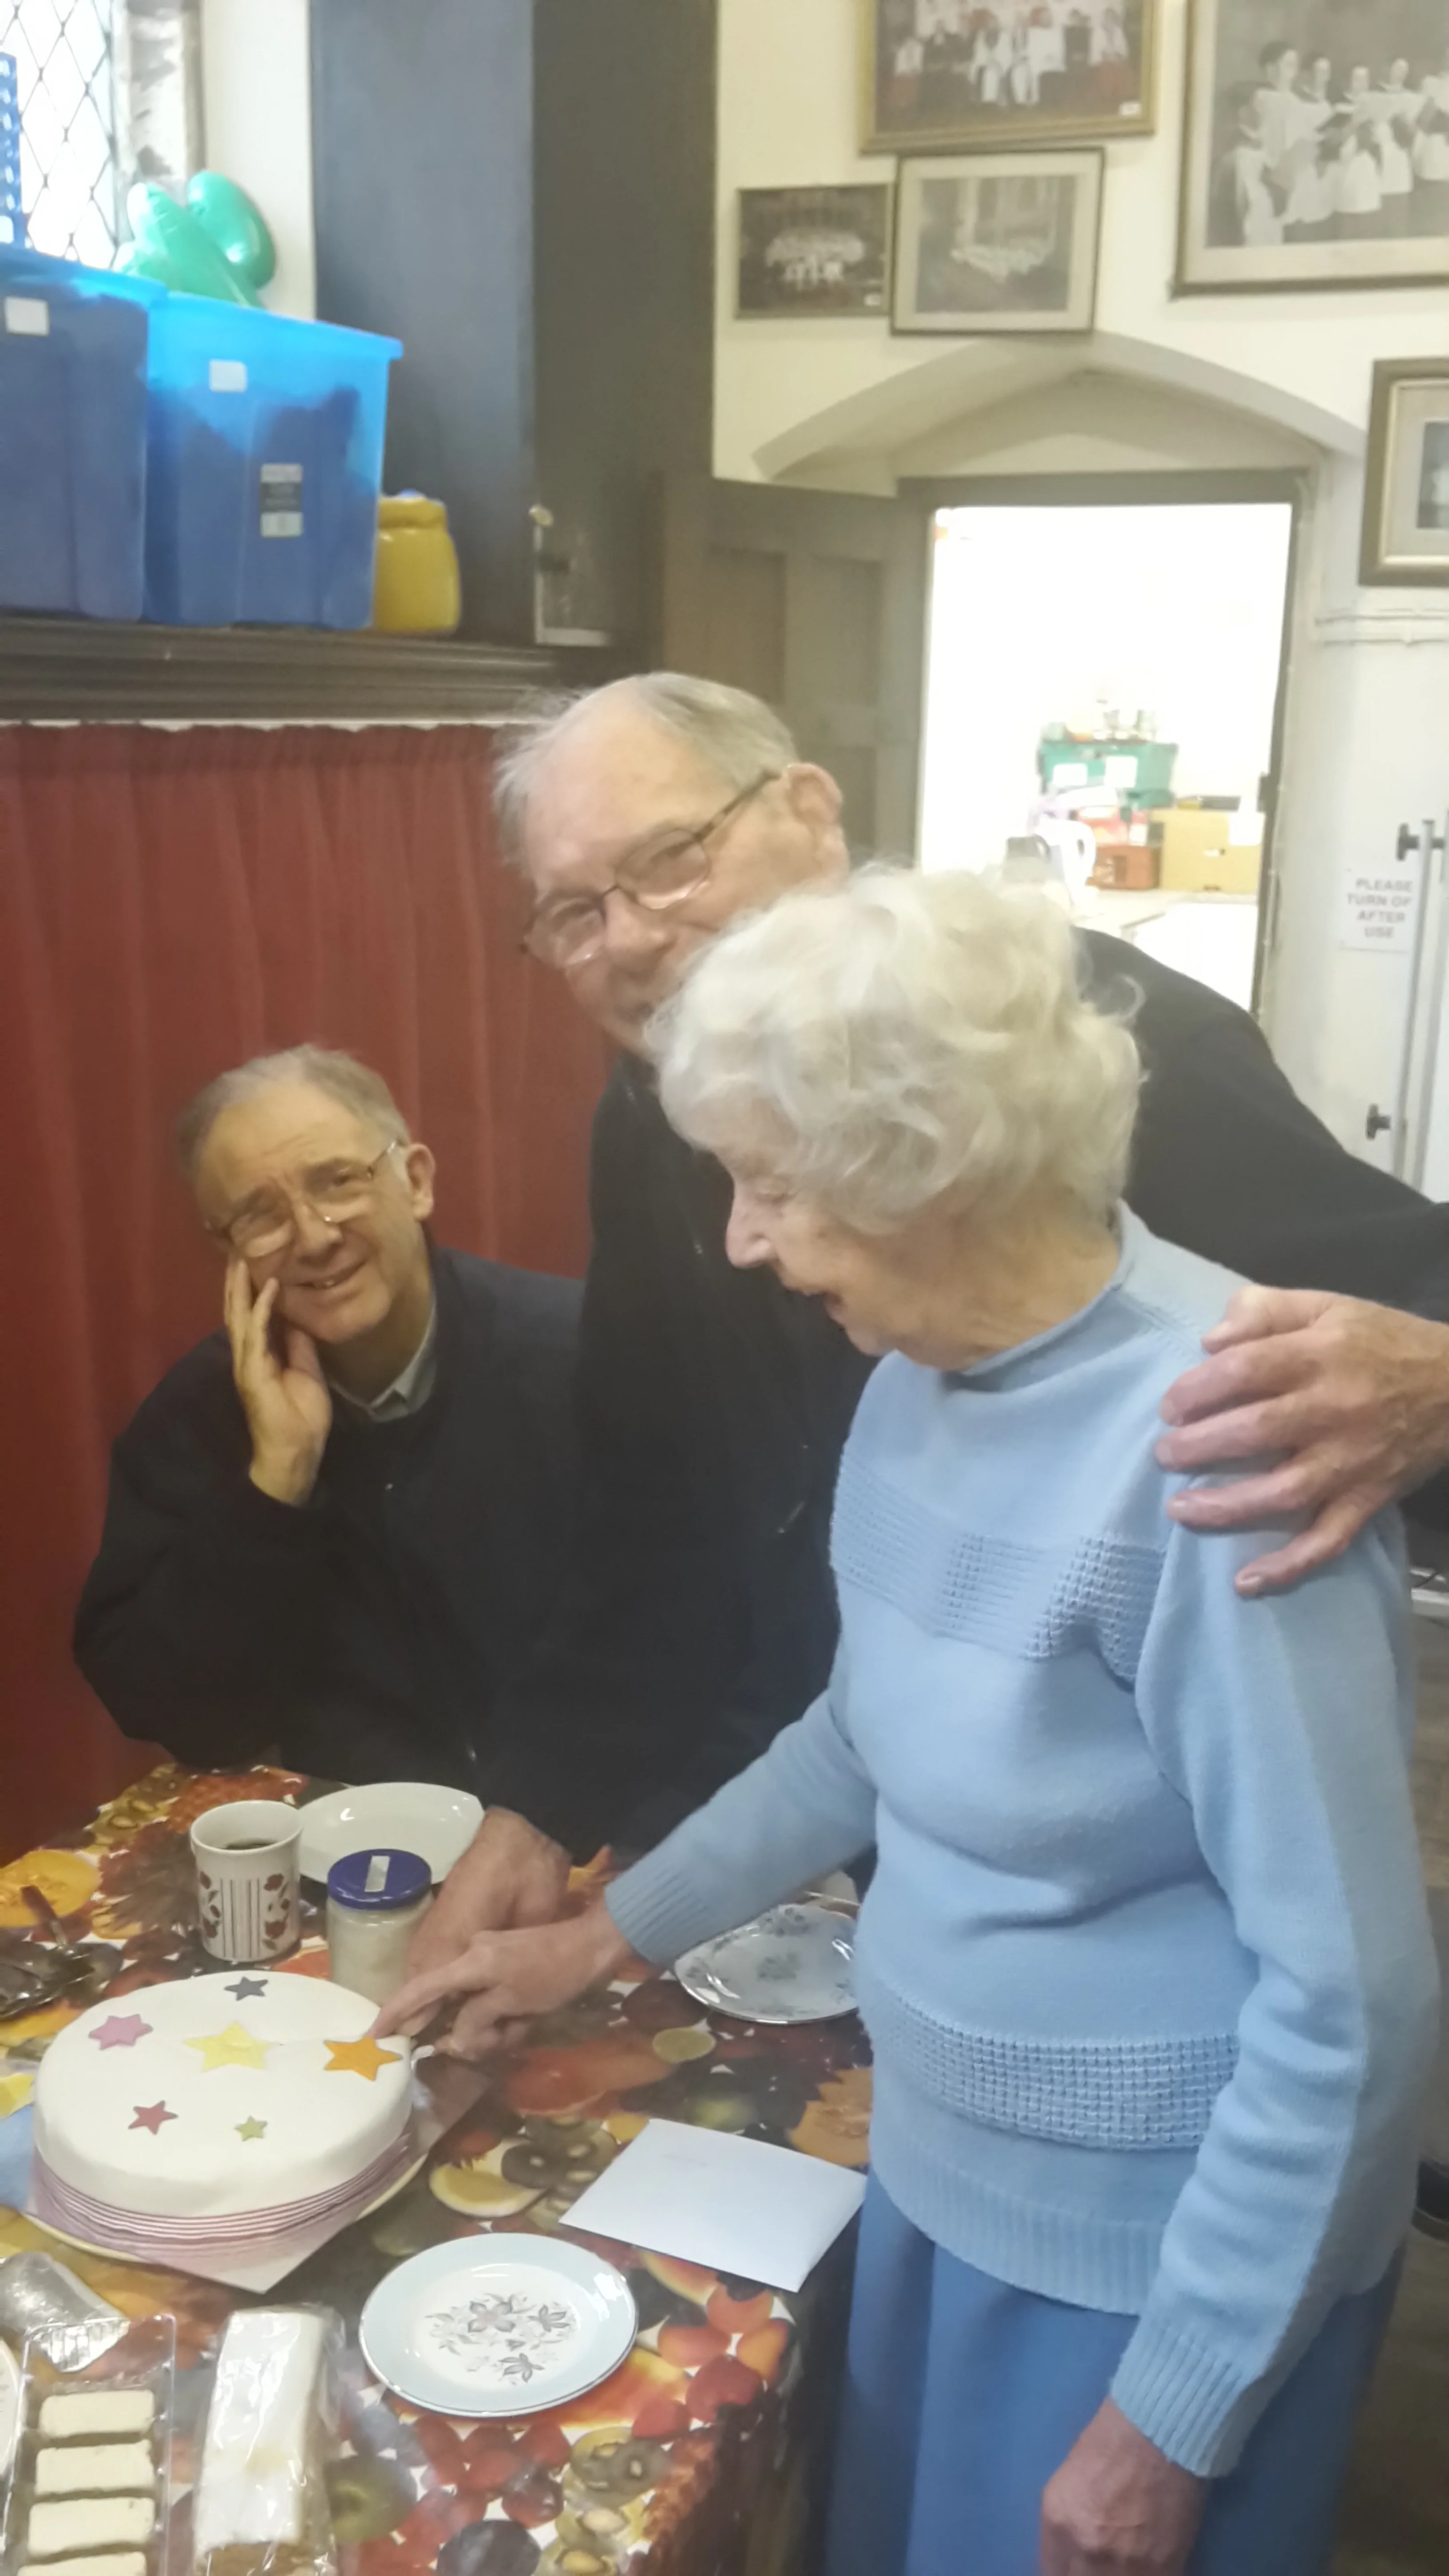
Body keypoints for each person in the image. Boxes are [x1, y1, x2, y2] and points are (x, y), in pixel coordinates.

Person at [380, 868, 1439, 2576]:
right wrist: (595, 1941)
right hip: (944, 2176)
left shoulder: (1217, 1451)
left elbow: (1355, 2009)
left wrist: (1169, 2413)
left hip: (1151, 2272)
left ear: (926, 1173)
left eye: (768, 1186)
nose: (737, 1240)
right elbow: (857, 1738)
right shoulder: (916, 1384)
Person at [410, 673, 1449, 1963]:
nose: (626, 937)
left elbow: (1402, 1294)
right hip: (839, 1807)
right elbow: (653, 1507)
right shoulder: (647, 1119)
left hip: (1127, 1898)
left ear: (811, 812)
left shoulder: (1072, 1048)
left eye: (672, 860)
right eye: (573, 910)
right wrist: (540, 1804)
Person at [75, 1046, 579, 1792]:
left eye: (338, 1181)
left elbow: (709, 1641)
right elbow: (175, 1712)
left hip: (588, 1829)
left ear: (416, 1181)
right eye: (260, 1215)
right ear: (227, 1249)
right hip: (344, 1850)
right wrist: (273, 1488)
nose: (312, 1235)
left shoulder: (583, 1356)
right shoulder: (194, 1417)